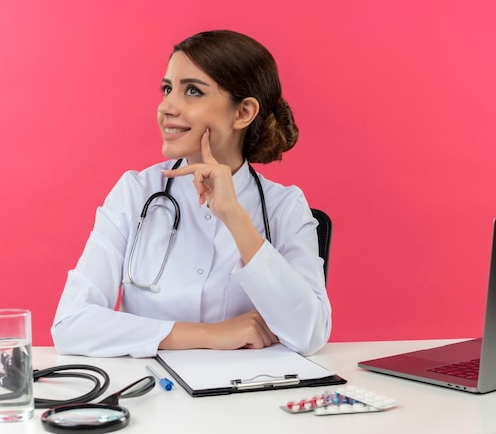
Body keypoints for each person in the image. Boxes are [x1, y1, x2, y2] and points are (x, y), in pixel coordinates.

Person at [51, 30, 331, 358]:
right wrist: (209, 334)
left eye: (193, 91)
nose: (166, 106)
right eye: (167, 89)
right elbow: (71, 323)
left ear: (242, 112)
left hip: (246, 398)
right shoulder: (135, 192)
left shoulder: (285, 207)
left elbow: (309, 333)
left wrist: (234, 216)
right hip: (152, 392)